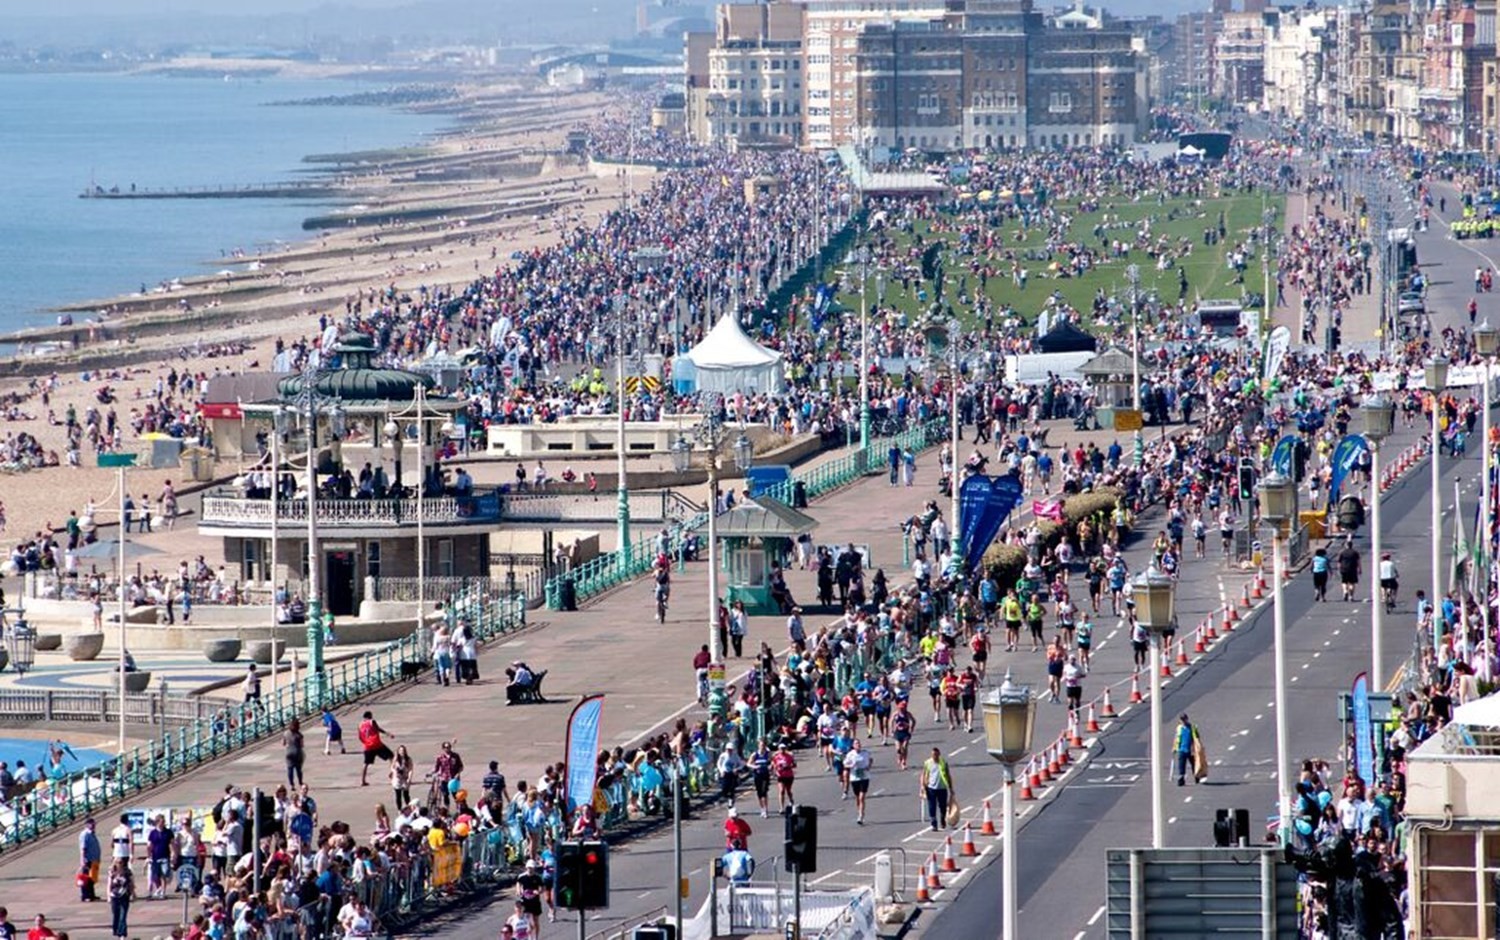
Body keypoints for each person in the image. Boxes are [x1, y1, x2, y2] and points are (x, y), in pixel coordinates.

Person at [357, 711, 395, 787]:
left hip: (368, 746)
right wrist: (388, 734)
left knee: (366, 763)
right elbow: (378, 729)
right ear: (370, 716)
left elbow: (360, 737)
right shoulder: (372, 721)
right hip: (377, 744)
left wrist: (365, 742)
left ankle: (363, 780)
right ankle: (392, 773)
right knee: (391, 756)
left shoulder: (360, 725)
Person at [922, 747, 954, 831]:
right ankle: (934, 824)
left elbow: (948, 775)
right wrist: (923, 787)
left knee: (943, 806)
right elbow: (924, 775)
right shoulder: (927, 763)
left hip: (942, 788)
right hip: (931, 788)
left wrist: (951, 788)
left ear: (939, 754)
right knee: (932, 806)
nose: (934, 756)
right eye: (933, 755)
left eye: (936, 755)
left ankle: (942, 819)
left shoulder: (943, 762)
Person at [844, 738, 873, 825]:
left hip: (865, 777)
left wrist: (869, 766)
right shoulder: (850, 754)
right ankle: (859, 811)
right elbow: (845, 764)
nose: (858, 745)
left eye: (859, 743)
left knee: (861, 797)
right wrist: (851, 765)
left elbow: (871, 759)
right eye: (856, 743)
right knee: (857, 797)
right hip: (854, 778)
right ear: (853, 746)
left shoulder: (865, 753)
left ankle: (861, 815)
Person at [107, 856, 134, 939]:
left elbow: (131, 883)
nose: (120, 864)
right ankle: (117, 931)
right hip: (114, 896)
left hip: (124, 895)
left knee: (123, 915)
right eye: (118, 862)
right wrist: (108, 896)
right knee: (116, 915)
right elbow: (109, 885)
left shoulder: (127, 872)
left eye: (121, 862)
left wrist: (132, 893)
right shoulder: (112, 872)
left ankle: (122, 934)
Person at [78, 817, 101, 901]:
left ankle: (91, 895)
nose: (94, 825)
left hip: (94, 859)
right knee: (86, 878)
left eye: (94, 823)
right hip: (88, 860)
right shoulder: (85, 834)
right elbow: (83, 848)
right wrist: (82, 860)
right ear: (87, 824)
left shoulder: (92, 833)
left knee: (92, 878)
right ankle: (85, 896)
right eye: (92, 824)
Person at [1174, 714, 1198, 786]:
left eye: (1184, 719)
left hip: (1191, 749)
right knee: (1181, 765)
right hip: (1182, 749)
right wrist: (1174, 747)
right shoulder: (1179, 728)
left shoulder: (1192, 727)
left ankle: (1196, 776)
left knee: (1193, 764)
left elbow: (1196, 738)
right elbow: (1176, 738)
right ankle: (1181, 779)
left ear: (1187, 719)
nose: (1183, 721)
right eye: (1182, 720)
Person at [283, 716, 306, 787]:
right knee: (298, 769)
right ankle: (300, 782)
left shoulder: (285, 733)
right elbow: (302, 745)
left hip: (289, 753)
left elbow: (283, 743)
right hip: (297, 753)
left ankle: (291, 784)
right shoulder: (299, 735)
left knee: (290, 769)